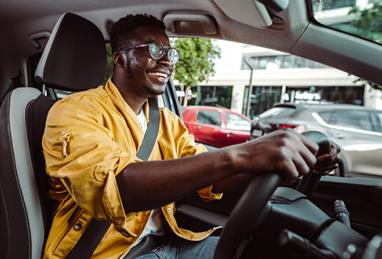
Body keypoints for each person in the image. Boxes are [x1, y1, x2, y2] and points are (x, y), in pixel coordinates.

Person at [42, 14, 339, 259]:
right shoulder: (73, 112)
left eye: (170, 53)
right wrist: (243, 153)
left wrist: (281, 161)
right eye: (154, 50)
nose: (167, 61)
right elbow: (116, 186)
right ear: (121, 59)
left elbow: (210, 177)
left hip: (175, 242)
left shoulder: (167, 122)